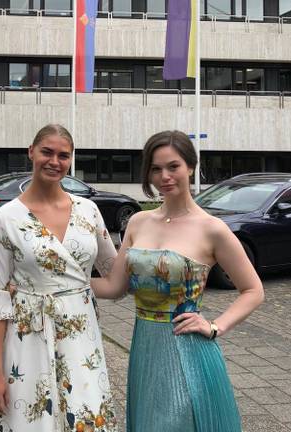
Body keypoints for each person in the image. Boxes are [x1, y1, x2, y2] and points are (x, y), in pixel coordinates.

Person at [91, 130, 265, 432]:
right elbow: (113, 287)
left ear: (191, 167)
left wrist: (214, 327)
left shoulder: (212, 228)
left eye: (173, 166)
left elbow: (253, 290)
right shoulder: (138, 221)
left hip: (188, 350)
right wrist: (56, 280)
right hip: (145, 348)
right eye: (156, 169)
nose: (164, 176)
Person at [0, 124, 118, 432]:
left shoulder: (89, 211)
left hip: (81, 334)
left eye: (63, 155)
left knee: (85, 414)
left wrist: (148, 238)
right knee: (29, 415)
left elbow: (114, 275)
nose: (54, 161)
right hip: (27, 333)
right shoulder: (7, 217)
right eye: (47, 152)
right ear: (31, 152)